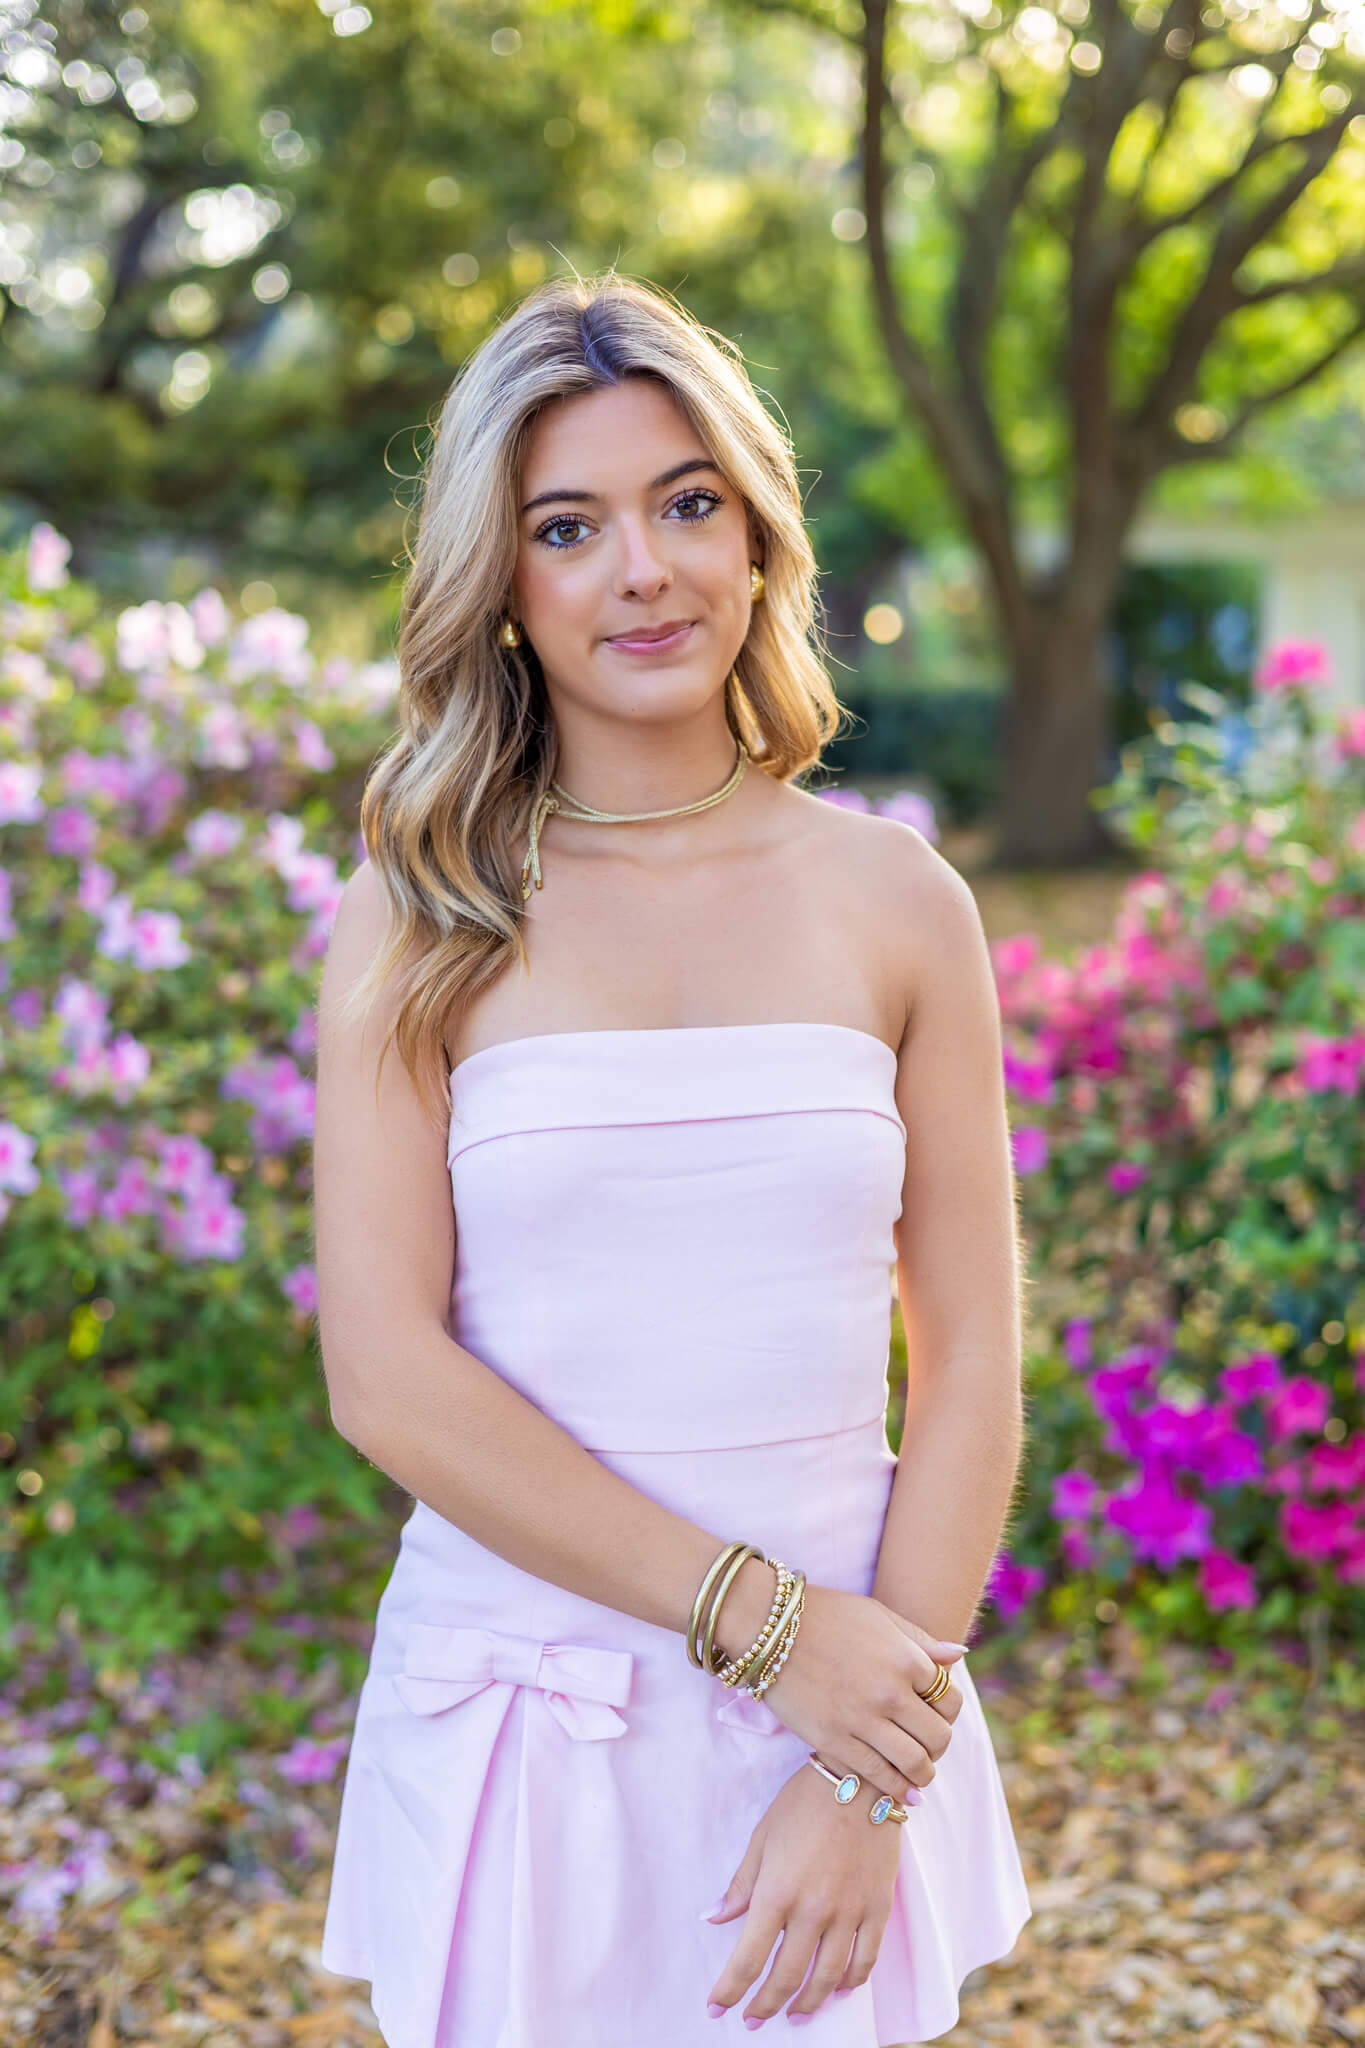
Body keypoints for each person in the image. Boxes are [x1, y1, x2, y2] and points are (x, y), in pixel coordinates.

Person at [312, 270, 1031, 2048]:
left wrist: (869, 1762)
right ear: (505, 584)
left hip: (854, 1710)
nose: (643, 568)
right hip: (529, 1716)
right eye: (571, 526)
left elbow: (971, 1364)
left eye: (685, 503)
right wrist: (764, 1624)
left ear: (759, 536)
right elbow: (386, 1377)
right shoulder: (420, 916)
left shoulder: (897, 904)